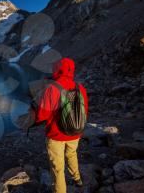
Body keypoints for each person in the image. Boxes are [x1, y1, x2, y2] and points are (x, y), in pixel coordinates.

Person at [35, 58, 88, 193]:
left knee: (58, 168)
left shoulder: (52, 88)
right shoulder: (80, 87)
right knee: (72, 154)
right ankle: (77, 180)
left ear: (57, 69)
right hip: (75, 131)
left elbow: (43, 115)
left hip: (56, 135)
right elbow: (84, 110)